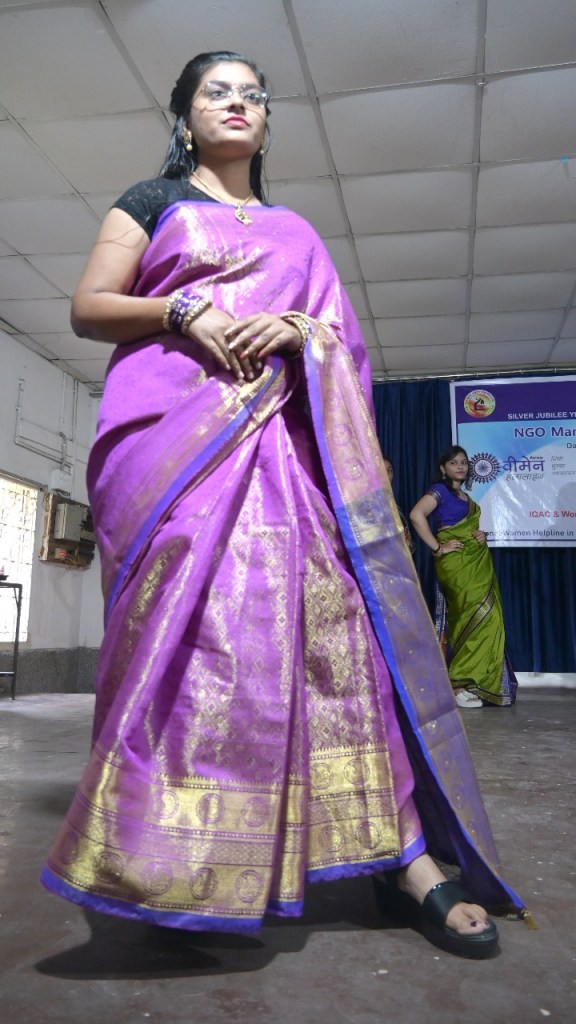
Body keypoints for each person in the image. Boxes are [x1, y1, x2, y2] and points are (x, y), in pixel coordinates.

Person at [40, 52, 525, 957]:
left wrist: (301, 331)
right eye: (217, 91)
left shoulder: (298, 231)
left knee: (339, 639)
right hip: (178, 457)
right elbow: (89, 306)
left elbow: (342, 340)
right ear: (186, 117)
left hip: (289, 464)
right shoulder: (152, 202)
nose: (237, 103)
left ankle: (403, 855)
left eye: (253, 94)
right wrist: (183, 312)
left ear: (266, 123)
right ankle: (171, 863)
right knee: (197, 650)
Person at [410, 445, 518, 709]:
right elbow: (416, 515)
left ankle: (476, 683)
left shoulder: (465, 497)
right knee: (472, 614)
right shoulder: (440, 491)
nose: (460, 466)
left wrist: (480, 535)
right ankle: (458, 683)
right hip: (455, 563)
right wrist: (437, 547)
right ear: (443, 468)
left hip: (475, 561)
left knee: (487, 617)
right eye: (453, 462)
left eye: (463, 462)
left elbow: (470, 527)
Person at [382, 455, 415, 554]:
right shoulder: (367, 503)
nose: (387, 474)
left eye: (390, 470)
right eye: (381, 469)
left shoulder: (394, 506)